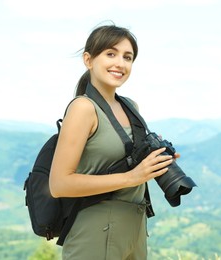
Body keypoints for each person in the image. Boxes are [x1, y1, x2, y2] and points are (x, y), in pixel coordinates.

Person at [49, 24, 179, 259]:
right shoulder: (83, 108)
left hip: (135, 227)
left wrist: (156, 162)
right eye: (110, 54)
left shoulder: (130, 106)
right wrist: (132, 177)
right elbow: (59, 184)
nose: (120, 63)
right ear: (88, 60)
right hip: (95, 231)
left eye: (127, 57)